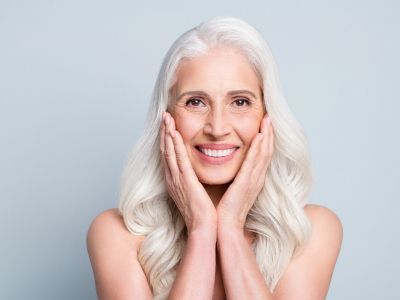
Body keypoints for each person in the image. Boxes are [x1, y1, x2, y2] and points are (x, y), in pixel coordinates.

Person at [86, 16, 343, 300]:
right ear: (166, 116)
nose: (218, 128)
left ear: (267, 117)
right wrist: (201, 229)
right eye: (195, 102)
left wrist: (230, 226)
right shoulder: (115, 235)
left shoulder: (310, 231)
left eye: (240, 102)